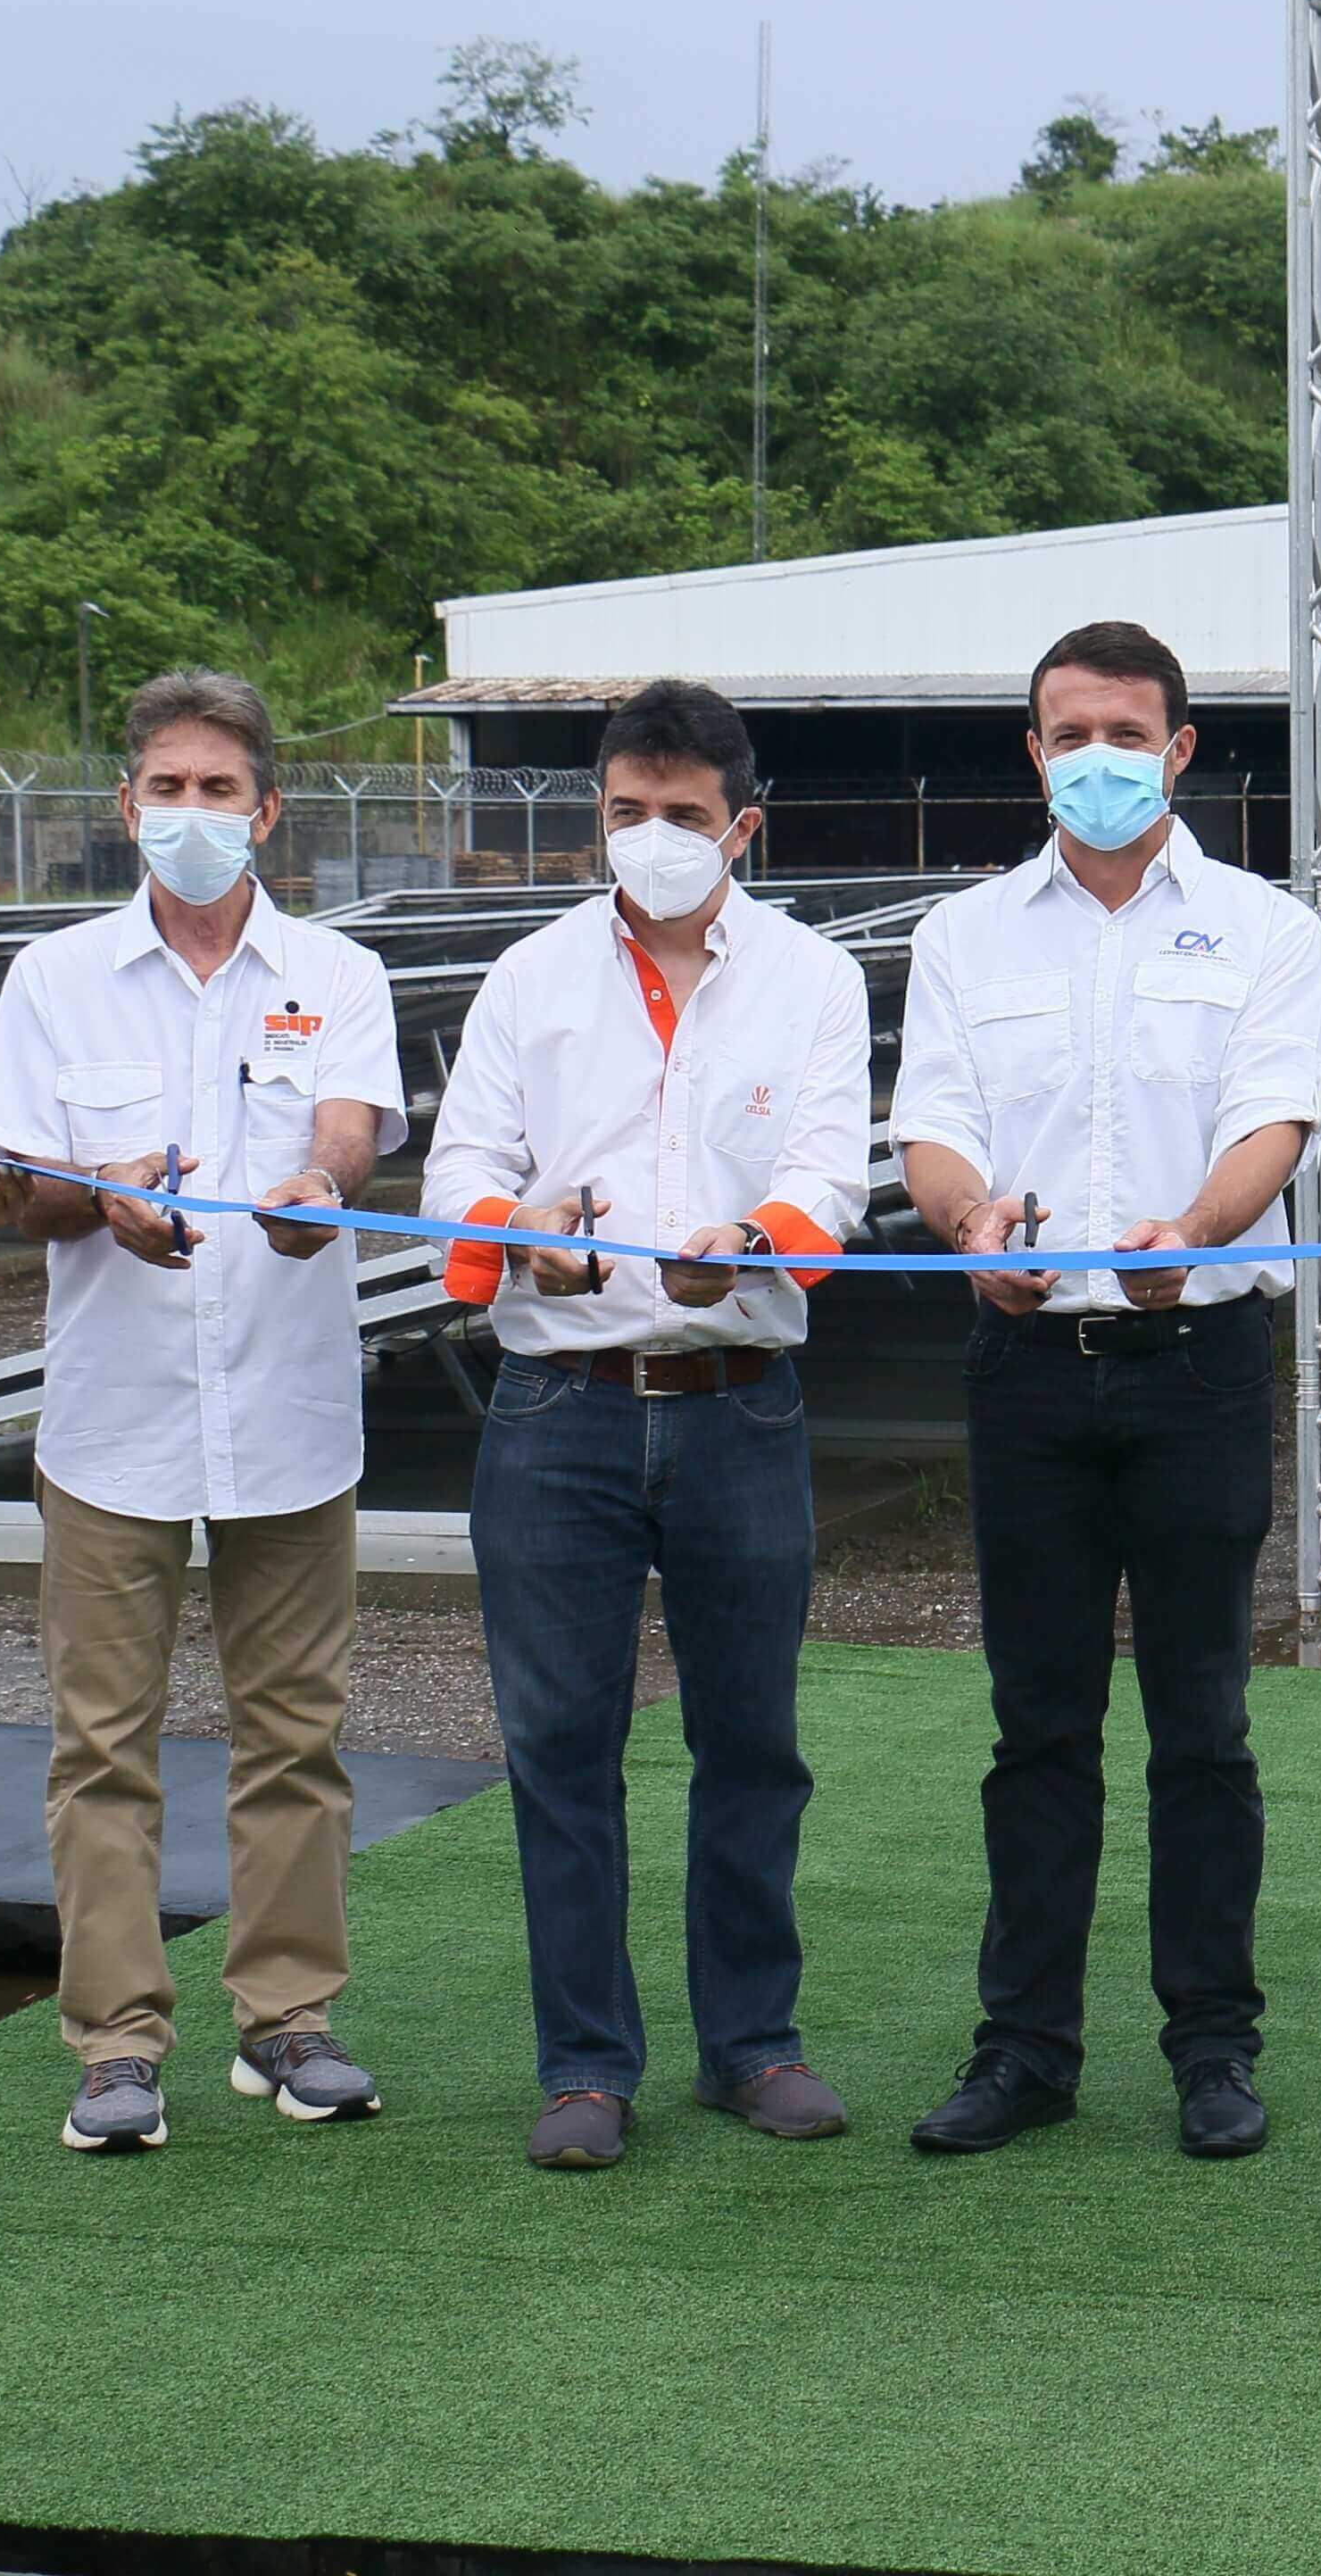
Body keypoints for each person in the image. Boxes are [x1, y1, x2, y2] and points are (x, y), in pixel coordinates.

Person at [885, 622, 1321, 2163]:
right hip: (1026, 1368)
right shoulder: (965, 934)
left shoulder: (1267, 925)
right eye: (1070, 732)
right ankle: (1026, 2050)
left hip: (1198, 1360)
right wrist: (966, 1231)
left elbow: (1277, 1118)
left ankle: (1213, 2048)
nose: (1099, 759)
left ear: (1182, 748)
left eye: (1127, 733)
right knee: (1037, 1724)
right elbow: (932, 1124)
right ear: (1032, 750)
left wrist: (1195, 1237)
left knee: (1202, 1721)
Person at [424, 679, 872, 2171]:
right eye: (629, 814)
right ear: (595, 820)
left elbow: (833, 1171)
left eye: (685, 816)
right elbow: (458, 1176)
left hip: (740, 1401)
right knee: (562, 1743)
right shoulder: (528, 980)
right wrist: (523, 1226)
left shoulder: (811, 980)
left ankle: (752, 2043)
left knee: (752, 1740)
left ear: (743, 822)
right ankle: (585, 2064)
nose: (656, 840)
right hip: (560, 1403)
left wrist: (757, 1235)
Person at [0, 669, 407, 2156]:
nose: (194, 814)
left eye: (222, 790)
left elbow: (344, 1130)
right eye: (170, 787)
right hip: (114, 1417)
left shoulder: (337, 973)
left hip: (286, 1410)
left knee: (296, 1730)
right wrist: (99, 1204)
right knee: (104, 1740)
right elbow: (10, 1186)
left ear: (269, 810)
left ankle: (287, 2021)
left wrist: (317, 1192)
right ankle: (115, 2042)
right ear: (127, 806)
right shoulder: (55, 978)